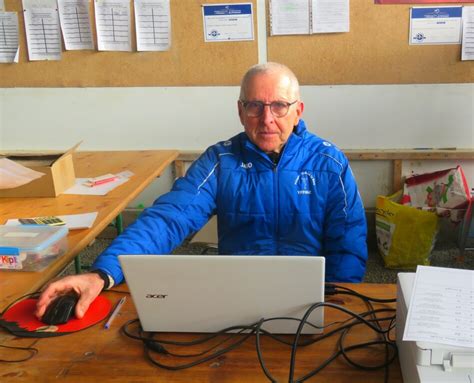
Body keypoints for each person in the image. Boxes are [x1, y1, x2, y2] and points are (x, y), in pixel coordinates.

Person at [36, 62, 367, 320]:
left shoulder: (328, 161)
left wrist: (338, 302)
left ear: (298, 111)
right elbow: (169, 220)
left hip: (310, 297)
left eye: (279, 106)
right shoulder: (220, 161)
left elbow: (348, 239)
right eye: (254, 106)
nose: (266, 119)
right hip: (236, 295)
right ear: (240, 110)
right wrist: (102, 274)